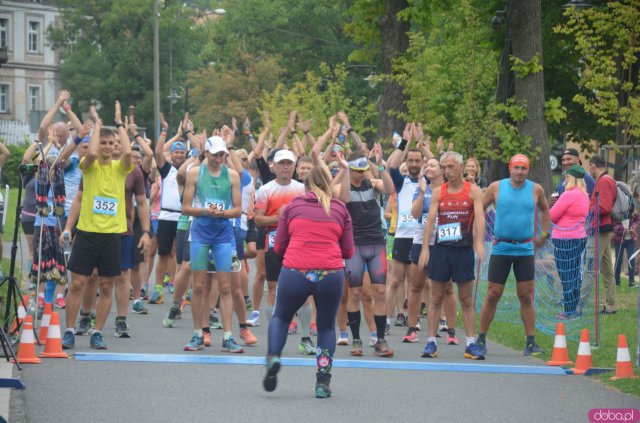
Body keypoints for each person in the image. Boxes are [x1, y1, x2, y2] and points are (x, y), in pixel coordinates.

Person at [263, 166, 354, 398]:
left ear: (305, 186)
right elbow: (348, 250)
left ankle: (274, 356)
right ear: (328, 184)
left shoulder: (292, 207)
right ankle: (323, 381)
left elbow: (279, 247)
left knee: (281, 317)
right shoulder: (340, 209)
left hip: (296, 270)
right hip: (330, 274)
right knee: (325, 327)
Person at [62, 102, 133, 350]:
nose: (107, 147)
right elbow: (90, 154)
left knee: (106, 285)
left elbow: (127, 152)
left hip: (112, 235)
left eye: (111, 143)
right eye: (103, 143)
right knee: (78, 283)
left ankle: (97, 331)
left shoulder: (120, 168)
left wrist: (120, 124)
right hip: (88, 233)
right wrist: (98, 127)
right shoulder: (87, 167)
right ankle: (69, 330)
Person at [476, 154, 549, 356]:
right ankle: (481, 338)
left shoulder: (536, 189)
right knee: (493, 293)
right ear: (510, 168)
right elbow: (479, 208)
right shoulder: (497, 187)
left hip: (525, 249)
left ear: (528, 170)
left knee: (526, 296)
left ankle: (531, 342)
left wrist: (544, 234)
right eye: (516, 168)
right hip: (501, 248)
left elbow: (545, 209)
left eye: (523, 168)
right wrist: (478, 235)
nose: (520, 172)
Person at [418, 151, 486, 360]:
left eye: (450, 167)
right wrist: (425, 249)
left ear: (461, 166)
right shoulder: (439, 192)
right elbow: (430, 220)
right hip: (442, 249)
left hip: (463, 249)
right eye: (444, 167)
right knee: (436, 297)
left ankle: (471, 344)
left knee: (465, 299)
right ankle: (430, 342)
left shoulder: (473, 191)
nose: (447, 171)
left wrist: (478, 243)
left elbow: (480, 218)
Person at [181, 136, 243, 352]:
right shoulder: (195, 173)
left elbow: (238, 209)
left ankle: (228, 336)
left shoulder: (233, 175)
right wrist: (206, 212)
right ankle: (198, 334)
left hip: (223, 235)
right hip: (200, 233)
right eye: (215, 154)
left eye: (222, 154)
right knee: (198, 286)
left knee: (225, 286)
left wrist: (222, 213)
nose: (219, 158)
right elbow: (186, 208)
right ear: (206, 153)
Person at [335, 147, 395, 357]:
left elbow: (389, 188)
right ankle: (356, 340)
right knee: (355, 292)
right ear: (350, 169)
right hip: (354, 246)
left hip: (376, 243)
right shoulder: (343, 184)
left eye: (364, 169)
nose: (362, 174)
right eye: (358, 170)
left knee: (379, 291)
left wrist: (380, 165)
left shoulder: (373, 184)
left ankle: (380, 339)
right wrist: (344, 172)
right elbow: (342, 198)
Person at [150, 116, 187, 304]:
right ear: (171, 154)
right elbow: (157, 152)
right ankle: (157, 289)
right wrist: (164, 131)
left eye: (182, 152)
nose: (179, 155)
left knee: (179, 254)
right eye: (176, 152)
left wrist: (190, 133)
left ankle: (178, 287)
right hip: (166, 214)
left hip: (184, 216)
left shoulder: (191, 169)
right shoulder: (167, 170)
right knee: (163, 253)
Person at [550, 164, 590, 318]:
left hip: (564, 239)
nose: (564, 180)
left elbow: (552, 216)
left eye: (566, 177)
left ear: (571, 178)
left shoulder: (568, 195)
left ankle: (568, 310)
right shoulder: (584, 195)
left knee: (565, 274)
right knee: (575, 273)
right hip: (580, 238)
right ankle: (574, 308)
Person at [588, 155, 617, 314]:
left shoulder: (604, 181)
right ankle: (611, 305)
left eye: (589, 166)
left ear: (593, 165)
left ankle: (577, 304)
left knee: (590, 267)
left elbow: (605, 207)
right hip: (604, 228)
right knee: (606, 268)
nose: (589, 170)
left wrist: (588, 208)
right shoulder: (608, 180)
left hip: (602, 228)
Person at [612, 210, 640, 288]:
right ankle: (616, 282)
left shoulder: (631, 207)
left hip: (630, 239)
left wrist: (633, 227)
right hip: (618, 239)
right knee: (618, 259)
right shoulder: (616, 210)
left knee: (632, 259)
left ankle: (632, 282)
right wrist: (624, 230)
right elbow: (613, 225)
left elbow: (637, 218)